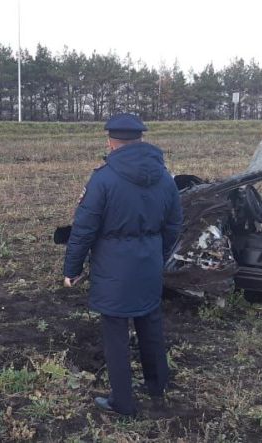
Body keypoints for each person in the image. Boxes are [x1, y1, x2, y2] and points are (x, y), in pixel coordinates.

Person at [62, 113, 183, 416]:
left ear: (110, 142)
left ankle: (123, 402)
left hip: (113, 269)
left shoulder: (103, 178)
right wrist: (159, 255)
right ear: (141, 139)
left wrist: (72, 270)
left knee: (115, 335)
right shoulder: (165, 176)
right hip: (149, 263)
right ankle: (157, 385)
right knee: (150, 323)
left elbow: (84, 229)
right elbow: (174, 225)